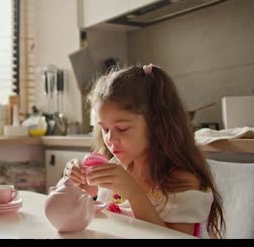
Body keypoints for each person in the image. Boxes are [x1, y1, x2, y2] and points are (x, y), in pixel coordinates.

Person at [62, 64, 225, 238]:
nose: (110, 139)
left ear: (156, 125)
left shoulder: (181, 182)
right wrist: (75, 183)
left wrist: (133, 193)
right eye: (105, 129)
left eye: (122, 128)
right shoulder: (117, 166)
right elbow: (85, 208)